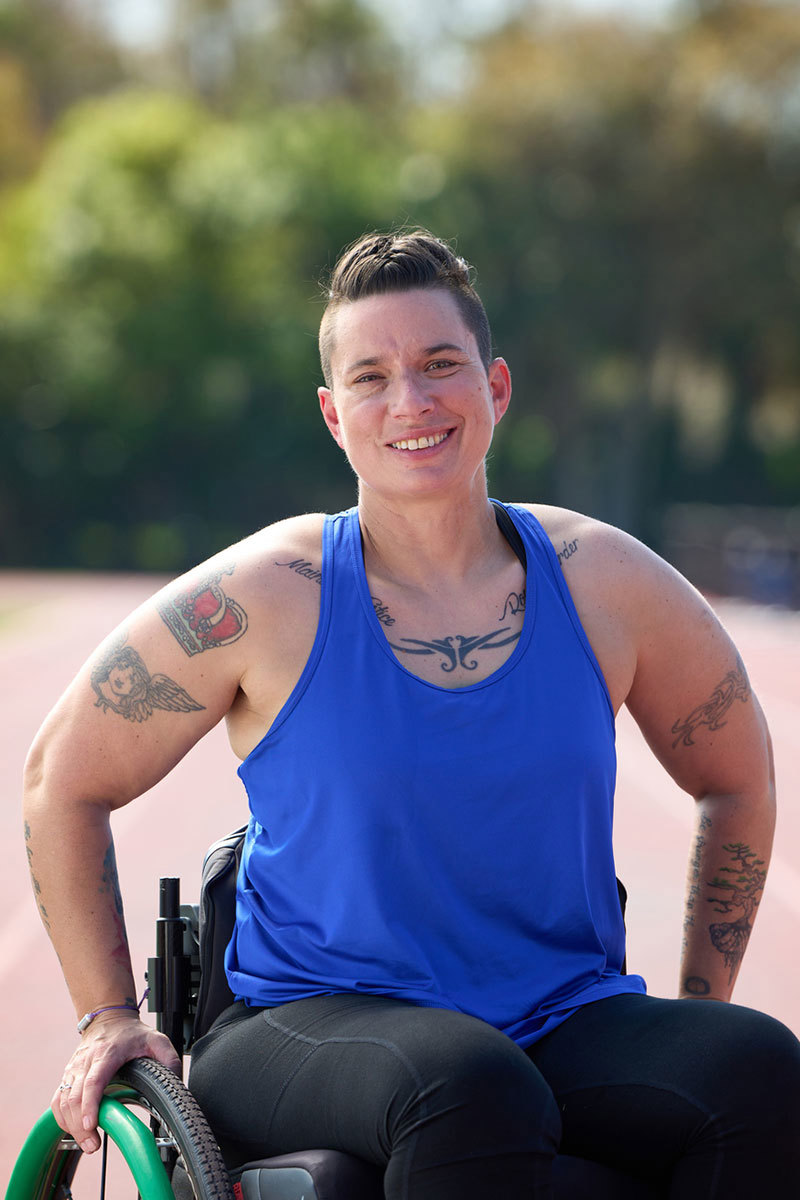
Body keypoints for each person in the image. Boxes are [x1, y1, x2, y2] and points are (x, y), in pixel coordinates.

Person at [24, 229, 800, 1198]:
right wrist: (107, 1014)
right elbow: (62, 777)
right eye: (371, 377)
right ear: (332, 414)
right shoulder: (269, 592)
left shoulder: (606, 583)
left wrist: (696, 1006)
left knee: (749, 1066)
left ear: (495, 387)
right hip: (306, 1020)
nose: (411, 402)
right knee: (467, 1083)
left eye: (439, 366)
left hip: (557, 1016)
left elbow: (736, 776)